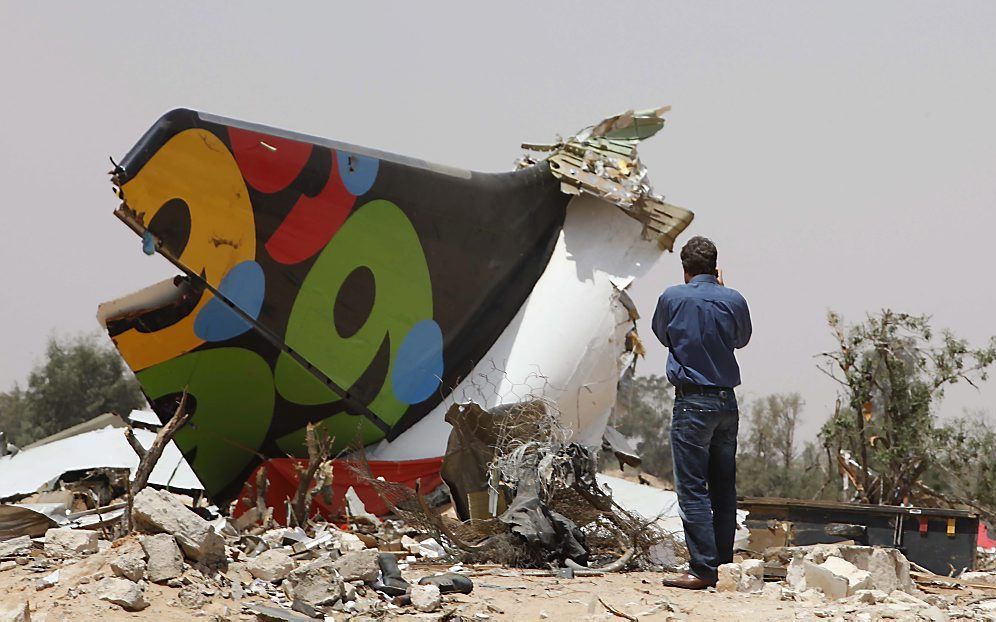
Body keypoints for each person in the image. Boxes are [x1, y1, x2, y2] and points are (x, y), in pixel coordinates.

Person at [651, 236, 752, 589]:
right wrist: (720, 292)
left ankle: (702, 569)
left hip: (692, 402)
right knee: (723, 488)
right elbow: (741, 340)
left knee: (693, 490)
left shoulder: (672, 297)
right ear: (715, 267)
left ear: (685, 269)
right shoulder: (734, 299)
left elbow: (663, 336)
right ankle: (723, 566)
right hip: (726, 403)